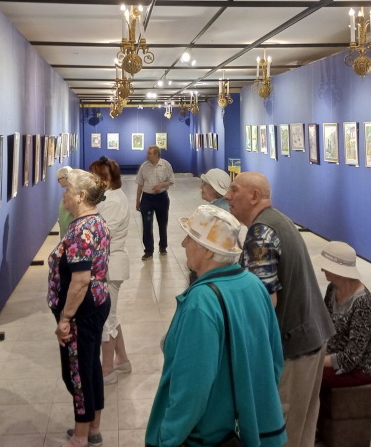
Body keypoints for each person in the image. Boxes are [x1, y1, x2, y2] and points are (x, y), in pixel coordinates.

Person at [146, 205, 287, 447]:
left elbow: (192, 389)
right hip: (255, 431)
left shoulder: (201, 303)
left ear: (209, 252)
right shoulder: (255, 285)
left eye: (190, 238)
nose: (183, 243)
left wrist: (167, 438)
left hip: (209, 436)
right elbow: (275, 359)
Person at [226, 172, 334, 447]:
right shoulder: (278, 220)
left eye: (234, 189)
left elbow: (264, 301)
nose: (227, 196)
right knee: (303, 428)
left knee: (283, 432)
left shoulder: (260, 233)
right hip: (312, 335)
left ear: (254, 196)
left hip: (294, 346)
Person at [47, 169, 111, 447]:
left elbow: (81, 280)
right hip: (95, 304)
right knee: (90, 366)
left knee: (77, 373)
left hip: (81, 311)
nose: (64, 194)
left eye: (68, 190)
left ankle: (81, 435)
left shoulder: (82, 231)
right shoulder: (94, 221)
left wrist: (65, 318)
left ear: (81, 196)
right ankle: (93, 427)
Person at [88, 156, 132, 384]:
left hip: (110, 265)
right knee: (111, 314)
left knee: (106, 318)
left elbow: (102, 234)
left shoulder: (113, 201)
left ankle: (107, 370)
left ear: (105, 179)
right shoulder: (108, 197)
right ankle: (122, 359)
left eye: (94, 176)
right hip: (106, 263)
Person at [315, 241, 371, 389]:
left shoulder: (364, 303)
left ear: (339, 271)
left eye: (326, 266)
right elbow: (324, 326)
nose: (322, 269)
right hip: (335, 356)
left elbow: (352, 357)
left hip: (361, 368)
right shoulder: (332, 289)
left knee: (311, 377)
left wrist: (317, 360)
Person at [135, 145, 174, 261]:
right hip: (147, 199)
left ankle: (163, 247)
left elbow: (171, 180)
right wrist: (138, 200)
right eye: (147, 153)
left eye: (149, 153)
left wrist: (161, 185)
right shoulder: (144, 166)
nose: (147, 155)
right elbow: (140, 184)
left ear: (156, 154)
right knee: (147, 225)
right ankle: (148, 251)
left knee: (162, 224)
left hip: (161, 198)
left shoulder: (165, 165)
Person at [56, 165, 74, 234]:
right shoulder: (67, 192)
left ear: (66, 178)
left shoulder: (73, 194)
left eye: (59, 179)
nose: (58, 182)